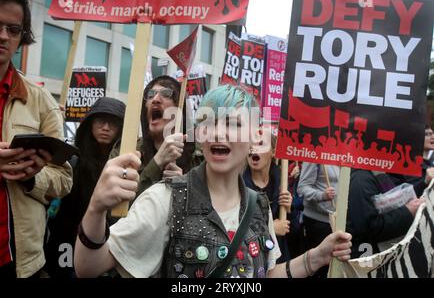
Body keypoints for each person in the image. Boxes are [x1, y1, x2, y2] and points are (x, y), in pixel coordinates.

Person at [74, 85, 351, 278]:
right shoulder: (164, 199)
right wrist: (96, 209)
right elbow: (88, 268)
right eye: (209, 123)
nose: (219, 132)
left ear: (256, 137)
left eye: (233, 124)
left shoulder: (259, 206)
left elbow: (264, 273)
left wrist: (316, 257)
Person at [0, 0, 72, 278]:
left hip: (19, 262)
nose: (3, 36)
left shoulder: (41, 100)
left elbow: (64, 178)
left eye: (13, 30)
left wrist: (32, 177)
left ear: (21, 38)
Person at [44, 97, 125, 278]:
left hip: (109, 246)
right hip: (66, 244)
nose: (105, 127)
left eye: (112, 123)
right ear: (90, 124)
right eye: (100, 121)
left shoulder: (127, 165)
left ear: (121, 128)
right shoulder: (71, 160)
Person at [110, 75, 195, 198]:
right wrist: (157, 163)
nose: (155, 99)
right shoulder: (125, 151)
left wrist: (182, 189)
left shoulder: (201, 155)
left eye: (166, 94)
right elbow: (115, 210)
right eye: (150, 95)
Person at [347, 167, 434, 258]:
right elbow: (369, 227)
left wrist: (424, 183)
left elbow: (394, 200)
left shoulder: (377, 172)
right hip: (369, 261)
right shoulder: (360, 179)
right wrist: (408, 212)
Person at [243, 128, 292, 264]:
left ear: (274, 152)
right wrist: (269, 229)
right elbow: (233, 231)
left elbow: (293, 234)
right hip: (251, 261)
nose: (253, 148)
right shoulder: (237, 185)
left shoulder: (282, 182)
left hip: (278, 260)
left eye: (261, 144)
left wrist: (289, 210)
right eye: (250, 144)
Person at [297, 162, 340, 277]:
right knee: (317, 269)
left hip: (339, 221)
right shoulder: (316, 153)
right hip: (317, 223)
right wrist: (322, 195)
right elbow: (302, 188)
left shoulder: (344, 153)